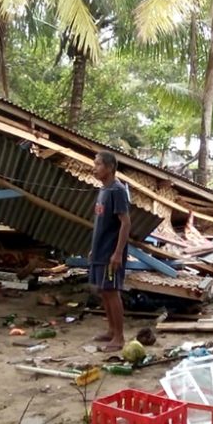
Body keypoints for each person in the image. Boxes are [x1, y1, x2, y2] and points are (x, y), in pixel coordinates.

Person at [89, 151, 131, 352]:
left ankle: (120, 337)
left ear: (110, 167)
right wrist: (94, 249)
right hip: (100, 251)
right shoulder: (103, 190)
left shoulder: (117, 190)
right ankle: (111, 330)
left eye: (98, 164)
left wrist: (117, 253)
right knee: (104, 291)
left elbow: (125, 223)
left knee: (112, 292)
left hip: (111, 252)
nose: (94, 168)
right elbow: (102, 224)